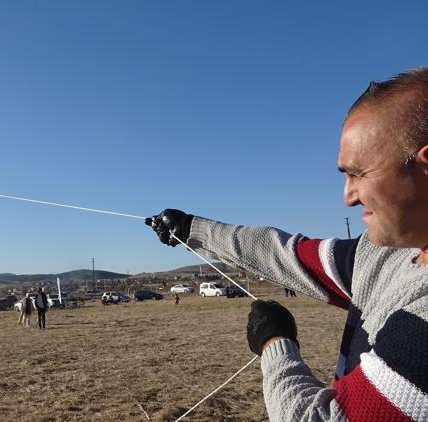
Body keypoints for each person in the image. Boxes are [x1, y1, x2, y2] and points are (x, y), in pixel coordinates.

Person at [147, 68, 428, 420]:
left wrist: (275, 343)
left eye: (358, 174)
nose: (348, 197)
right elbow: (284, 254)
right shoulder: (382, 254)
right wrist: (193, 229)